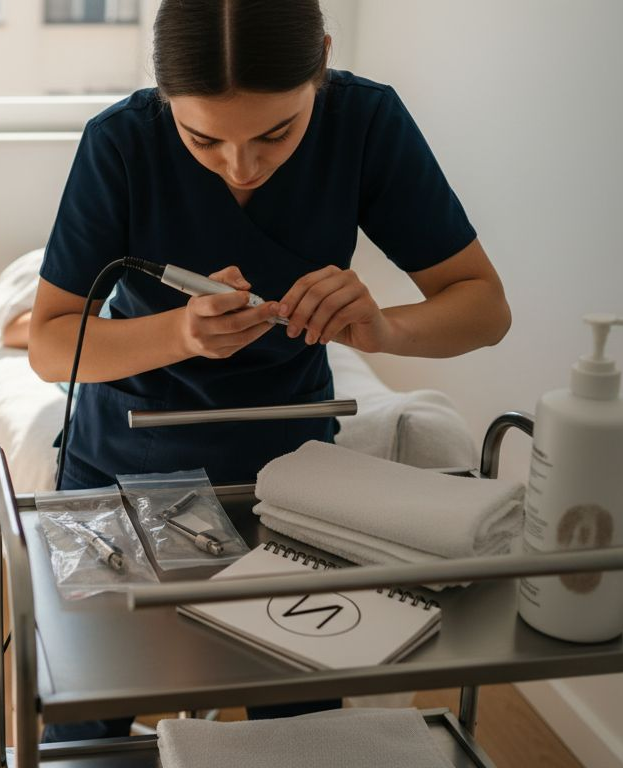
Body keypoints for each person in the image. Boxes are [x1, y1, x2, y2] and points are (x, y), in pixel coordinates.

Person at [28, 0, 511, 743]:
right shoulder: (119, 142)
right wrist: (181, 332)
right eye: (203, 138)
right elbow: (49, 343)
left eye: (276, 133)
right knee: (90, 711)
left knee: (297, 724)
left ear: (322, 62)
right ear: (164, 97)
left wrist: (384, 329)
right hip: (126, 457)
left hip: (290, 467)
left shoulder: (365, 123)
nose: (242, 167)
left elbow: (483, 307)